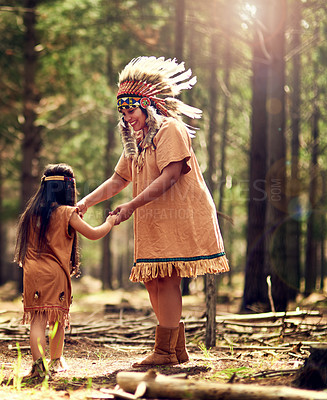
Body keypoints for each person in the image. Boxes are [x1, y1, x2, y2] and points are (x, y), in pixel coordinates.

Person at [77, 56, 230, 367]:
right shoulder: (137, 138)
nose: (126, 116)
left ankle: (164, 352)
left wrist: (132, 205)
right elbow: (120, 178)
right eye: (122, 111)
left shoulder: (169, 129)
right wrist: (86, 203)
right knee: (152, 279)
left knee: (167, 279)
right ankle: (176, 349)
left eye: (130, 109)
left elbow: (171, 175)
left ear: (147, 104)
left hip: (180, 214)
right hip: (152, 218)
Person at [14, 163, 116, 378]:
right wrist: (110, 221)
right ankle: (56, 360)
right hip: (54, 274)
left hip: (31, 273)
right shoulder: (67, 213)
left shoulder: (31, 214)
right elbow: (94, 233)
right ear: (69, 190)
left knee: (37, 320)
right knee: (57, 318)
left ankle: (38, 366)